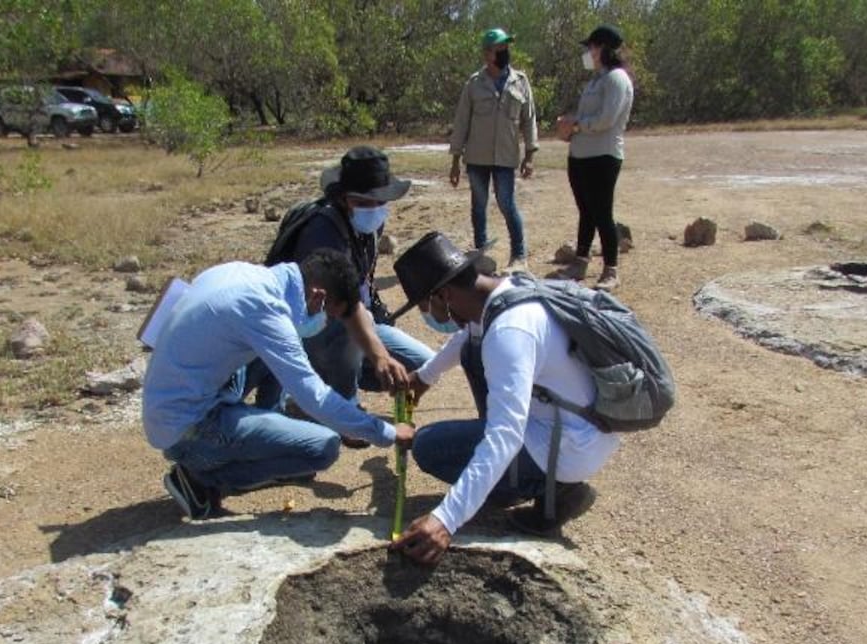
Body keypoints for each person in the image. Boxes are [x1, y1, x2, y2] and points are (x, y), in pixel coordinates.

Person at [388, 232, 620, 564]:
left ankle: (552, 490)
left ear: (444, 294)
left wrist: (446, 519)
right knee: (472, 352)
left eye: (426, 305)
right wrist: (424, 377)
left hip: (569, 447)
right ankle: (512, 479)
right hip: (577, 425)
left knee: (429, 447)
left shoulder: (509, 333)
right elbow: (466, 337)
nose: (428, 314)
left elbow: (504, 435)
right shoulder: (503, 292)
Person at [142, 248, 414, 519]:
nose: (325, 320)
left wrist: (379, 355)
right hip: (186, 426)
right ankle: (200, 479)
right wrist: (386, 432)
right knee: (321, 448)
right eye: (328, 313)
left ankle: (269, 429)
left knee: (282, 350)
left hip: (170, 399)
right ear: (318, 295)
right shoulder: (265, 310)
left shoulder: (245, 273)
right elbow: (313, 396)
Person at [252, 146, 433, 428]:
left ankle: (327, 391)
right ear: (344, 198)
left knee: (422, 364)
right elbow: (344, 308)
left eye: (380, 201)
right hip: (309, 329)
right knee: (351, 327)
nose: (374, 209)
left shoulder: (369, 228)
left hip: (355, 324)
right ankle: (336, 404)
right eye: (365, 202)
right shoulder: (322, 231)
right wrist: (381, 357)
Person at [448, 27, 539, 270]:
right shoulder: (474, 84)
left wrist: (530, 155)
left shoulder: (520, 81)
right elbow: (461, 122)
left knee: (507, 204)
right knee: (478, 204)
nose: (505, 52)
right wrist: (455, 161)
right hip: (476, 157)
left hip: (506, 158)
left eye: (506, 47)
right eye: (500, 48)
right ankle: (481, 253)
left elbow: (529, 119)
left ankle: (519, 255)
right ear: (488, 53)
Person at [555, 24, 634, 292]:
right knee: (586, 211)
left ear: (601, 48)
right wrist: (569, 128)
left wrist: (574, 124)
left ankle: (611, 269)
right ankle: (580, 261)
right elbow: (588, 116)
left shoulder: (616, 79)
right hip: (580, 155)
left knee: (602, 212)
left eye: (590, 46)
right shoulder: (595, 80)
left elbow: (605, 120)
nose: (588, 52)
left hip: (603, 156)